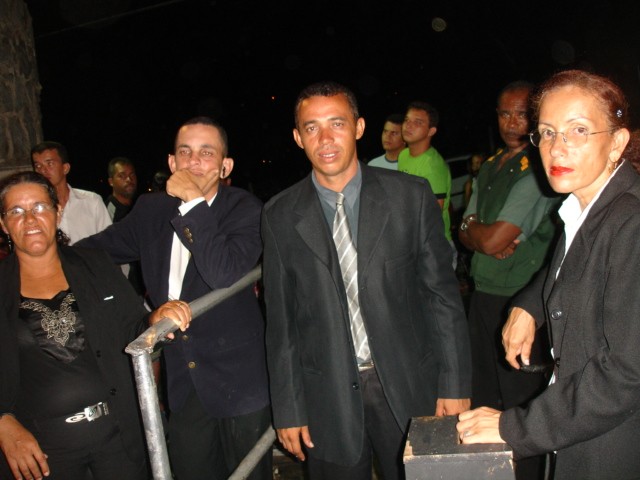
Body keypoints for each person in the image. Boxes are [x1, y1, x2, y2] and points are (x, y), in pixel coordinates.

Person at [262, 81, 471, 480]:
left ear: (358, 127)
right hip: (327, 399)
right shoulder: (279, 215)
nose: (325, 138)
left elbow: (442, 297)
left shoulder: (409, 197)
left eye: (337, 123)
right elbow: (281, 322)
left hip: (411, 385)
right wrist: (288, 408)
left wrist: (455, 383)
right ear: (298, 137)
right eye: (311, 127)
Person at [457, 70, 640, 479]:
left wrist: (514, 428)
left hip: (613, 449)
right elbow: (574, 267)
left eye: (579, 130)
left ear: (617, 142)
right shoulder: (586, 208)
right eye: (547, 132)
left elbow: (627, 373)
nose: (557, 148)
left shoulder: (631, 223)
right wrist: (529, 306)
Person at [78, 117, 271, 480]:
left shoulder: (246, 209)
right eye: (185, 152)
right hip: (183, 377)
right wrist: (42, 254)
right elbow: (97, 251)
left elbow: (222, 273)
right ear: (171, 162)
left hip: (240, 378)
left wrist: (194, 203)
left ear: (225, 166)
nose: (193, 161)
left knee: (247, 472)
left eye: (206, 153)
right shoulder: (151, 209)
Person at [0, 171, 191, 480]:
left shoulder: (95, 264)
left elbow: (133, 328)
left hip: (117, 437)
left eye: (40, 207)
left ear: (57, 212)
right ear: (3, 223)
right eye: (16, 211)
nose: (30, 219)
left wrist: (156, 319)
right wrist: (3, 423)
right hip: (43, 453)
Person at [397, 101, 456, 268]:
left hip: (434, 246)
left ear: (431, 131)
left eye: (418, 122)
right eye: (407, 120)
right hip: (413, 243)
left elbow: (433, 213)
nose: (408, 126)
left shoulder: (432, 166)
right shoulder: (403, 155)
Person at [31, 141, 112, 244]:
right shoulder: (33, 208)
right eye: (38, 166)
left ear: (65, 168)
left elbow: (109, 242)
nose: (43, 170)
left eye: (49, 164)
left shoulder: (91, 202)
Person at [105, 157, 138, 222]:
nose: (129, 179)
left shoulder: (141, 206)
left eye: (132, 175)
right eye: (122, 176)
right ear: (111, 182)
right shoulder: (107, 213)